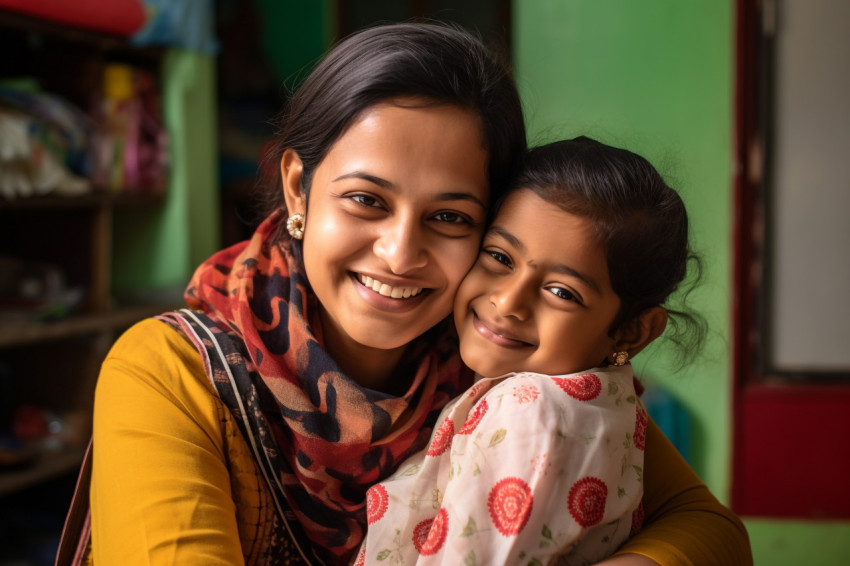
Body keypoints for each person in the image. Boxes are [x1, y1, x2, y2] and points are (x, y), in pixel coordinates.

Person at [83, 22, 752, 566]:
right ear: (297, 190)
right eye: (366, 200)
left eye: (451, 217)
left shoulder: (497, 365)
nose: (401, 253)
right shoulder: (172, 373)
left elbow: (711, 531)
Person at [358, 136, 701, 565]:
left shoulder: (528, 412)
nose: (508, 302)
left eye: (562, 292)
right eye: (500, 258)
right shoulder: (604, 402)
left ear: (632, 332)